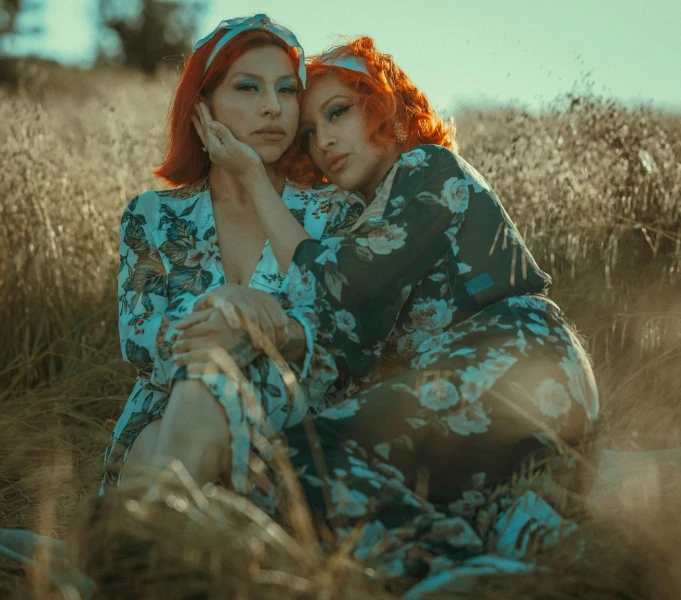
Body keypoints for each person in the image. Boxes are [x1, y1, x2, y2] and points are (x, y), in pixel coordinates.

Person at [193, 36, 599, 592]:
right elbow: (337, 337)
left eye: (338, 113)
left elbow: (333, 288)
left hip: (517, 360)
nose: (324, 140)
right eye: (310, 133)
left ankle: (457, 574)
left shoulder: (429, 170)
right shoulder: (367, 214)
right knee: (274, 472)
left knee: (302, 456)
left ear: (386, 107)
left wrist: (252, 179)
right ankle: (525, 548)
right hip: (477, 401)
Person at [101, 15, 364, 495]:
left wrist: (240, 332)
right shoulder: (152, 214)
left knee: (205, 388)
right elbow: (139, 340)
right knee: (166, 426)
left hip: (291, 431)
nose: (272, 108)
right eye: (248, 88)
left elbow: (339, 334)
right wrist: (222, 318)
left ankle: (107, 555)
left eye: (287, 91)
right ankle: (132, 546)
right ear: (202, 107)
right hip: (164, 418)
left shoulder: (336, 212)